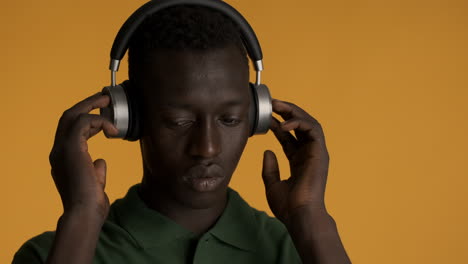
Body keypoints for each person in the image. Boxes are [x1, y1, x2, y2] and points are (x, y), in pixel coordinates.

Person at [12, 4, 351, 264]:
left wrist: (310, 216)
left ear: (256, 118)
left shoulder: (300, 249)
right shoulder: (54, 252)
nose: (207, 148)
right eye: (178, 121)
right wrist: (82, 216)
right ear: (131, 117)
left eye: (230, 119)